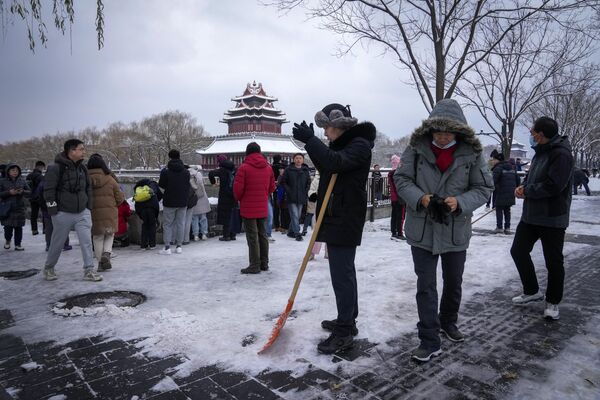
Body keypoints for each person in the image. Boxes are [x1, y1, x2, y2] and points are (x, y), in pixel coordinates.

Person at [394, 99, 493, 362]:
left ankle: (448, 321)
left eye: (448, 132)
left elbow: (484, 188)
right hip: (422, 229)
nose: (442, 136)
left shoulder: (472, 154)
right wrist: (422, 198)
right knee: (425, 285)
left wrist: (459, 202)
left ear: (459, 132)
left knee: (453, 282)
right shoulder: (415, 148)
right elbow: (401, 179)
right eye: (437, 131)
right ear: (430, 130)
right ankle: (429, 338)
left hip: (454, 230)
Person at [293, 103, 375, 354]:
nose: (325, 134)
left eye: (326, 128)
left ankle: (345, 329)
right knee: (343, 273)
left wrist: (310, 143)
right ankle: (347, 320)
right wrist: (313, 145)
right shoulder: (343, 145)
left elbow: (335, 163)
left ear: (339, 125)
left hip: (346, 217)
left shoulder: (359, 145)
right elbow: (328, 167)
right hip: (336, 215)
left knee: (342, 275)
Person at [510, 117, 574, 321]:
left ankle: (553, 301)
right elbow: (533, 178)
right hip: (531, 216)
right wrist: (523, 186)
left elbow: (554, 185)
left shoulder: (561, 154)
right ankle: (531, 291)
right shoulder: (540, 152)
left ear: (542, 134)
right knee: (518, 251)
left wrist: (528, 190)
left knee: (553, 261)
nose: (531, 133)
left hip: (553, 217)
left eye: (533, 131)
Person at [43, 139, 102, 281]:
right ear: (72, 151)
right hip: (62, 213)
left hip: (82, 212)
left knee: (87, 242)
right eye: (81, 149)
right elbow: (48, 190)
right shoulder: (55, 168)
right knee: (57, 242)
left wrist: (89, 206)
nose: (83, 152)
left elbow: (88, 188)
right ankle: (49, 268)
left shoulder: (82, 168)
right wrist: (53, 211)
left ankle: (89, 270)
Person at [233, 142, 276, 274]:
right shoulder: (268, 168)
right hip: (262, 205)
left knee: (252, 237)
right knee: (263, 235)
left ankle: (254, 265)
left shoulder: (244, 168)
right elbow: (272, 187)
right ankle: (264, 263)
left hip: (248, 207)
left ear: (247, 152)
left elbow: (238, 189)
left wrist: (239, 198)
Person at [87, 154, 124, 271]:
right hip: (109, 211)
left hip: (92, 212)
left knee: (97, 237)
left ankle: (99, 264)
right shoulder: (110, 179)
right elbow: (120, 198)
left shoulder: (85, 179)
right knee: (109, 234)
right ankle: (107, 254)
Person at [158, 149, 191, 255]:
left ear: (169, 157)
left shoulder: (165, 171)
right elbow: (187, 186)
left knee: (168, 224)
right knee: (181, 223)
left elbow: (161, 187)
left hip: (169, 201)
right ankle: (179, 246)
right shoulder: (186, 172)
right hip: (182, 201)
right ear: (179, 156)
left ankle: (167, 247)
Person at [282, 153, 311, 241]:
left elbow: (308, 182)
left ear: (303, 160)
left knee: (297, 216)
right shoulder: (288, 170)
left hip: (301, 196)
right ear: (293, 159)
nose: (298, 160)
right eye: (297, 158)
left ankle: (290, 232)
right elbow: (283, 181)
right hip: (291, 196)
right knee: (294, 215)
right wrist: (289, 191)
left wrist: (305, 191)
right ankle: (297, 233)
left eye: (300, 158)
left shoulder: (305, 170)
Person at [1, 163, 30, 251]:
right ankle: (8, 240)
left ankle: (18, 244)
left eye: (16, 170)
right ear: (8, 171)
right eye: (13, 170)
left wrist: (22, 191)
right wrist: (9, 193)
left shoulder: (22, 180)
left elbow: (29, 191)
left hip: (19, 207)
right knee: (8, 227)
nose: (15, 172)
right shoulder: (2, 181)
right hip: (7, 208)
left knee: (19, 227)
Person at [490, 149, 519, 234]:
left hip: (501, 191)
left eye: (494, 160)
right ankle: (507, 227)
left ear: (498, 160)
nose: (493, 161)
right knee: (507, 209)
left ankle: (499, 227)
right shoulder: (512, 167)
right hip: (511, 192)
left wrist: (494, 188)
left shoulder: (497, 168)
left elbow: (493, 181)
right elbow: (517, 180)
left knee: (499, 209)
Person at [209, 155, 236, 241]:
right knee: (233, 215)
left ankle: (226, 235)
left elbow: (211, 173)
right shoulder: (235, 169)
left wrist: (213, 182)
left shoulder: (222, 170)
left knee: (226, 216)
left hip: (224, 195)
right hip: (234, 195)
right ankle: (233, 234)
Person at [133, 178, 162, 250]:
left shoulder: (138, 188)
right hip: (152, 208)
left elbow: (136, 200)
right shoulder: (153, 184)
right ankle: (152, 244)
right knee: (152, 225)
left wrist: (139, 214)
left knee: (145, 225)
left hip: (141, 209)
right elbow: (160, 195)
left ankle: (143, 245)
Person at [187, 165, 211, 241]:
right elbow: (200, 184)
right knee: (203, 218)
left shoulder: (188, 175)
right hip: (202, 199)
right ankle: (204, 233)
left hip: (193, 199)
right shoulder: (198, 174)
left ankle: (195, 235)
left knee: (194, 219)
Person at [388, 154, 406, 240]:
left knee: (394, 215)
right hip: (400, 198)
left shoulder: (390, 174)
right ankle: (399, 233)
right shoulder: (398, 174)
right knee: (401, 216)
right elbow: (400, 187)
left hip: (393, 198)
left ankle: (393, 232)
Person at [26, 160, 46, 235]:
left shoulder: (29, 176)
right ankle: (45, 229)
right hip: (40, 197)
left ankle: (34, 230)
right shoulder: (41, 177)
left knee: (33, 214)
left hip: (32, 197)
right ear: (41, 167)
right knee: (44, 213)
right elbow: (43, 187)